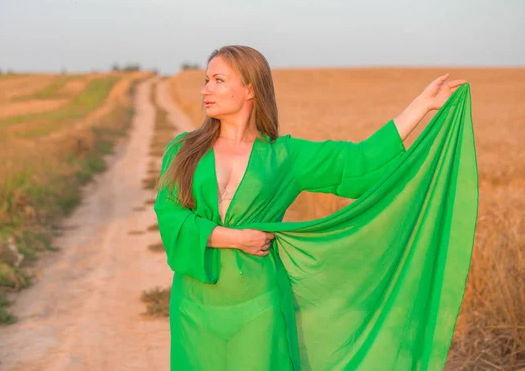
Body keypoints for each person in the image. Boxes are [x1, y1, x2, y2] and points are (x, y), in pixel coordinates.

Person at [153, 45, 475, 370]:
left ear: (250, 88)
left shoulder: (285, 156)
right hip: (194, 305)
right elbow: (170, 218)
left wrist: (423, 105)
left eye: (218, 80)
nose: (205, 90)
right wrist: (236, 239)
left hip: (258, 305)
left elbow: (359, 162)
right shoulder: (182, 151)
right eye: (207, 80)